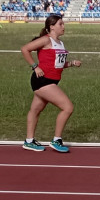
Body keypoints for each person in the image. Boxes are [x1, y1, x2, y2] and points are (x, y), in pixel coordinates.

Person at [20, 14, 81, 153]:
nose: (63, 26)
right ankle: (57, 140)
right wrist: (35, 66)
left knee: (35, 110)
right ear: (51, 26)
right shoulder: (45, 40)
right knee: (68, 108)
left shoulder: (60, 43)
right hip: (42, 80)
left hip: (51, 81)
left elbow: (57, 65)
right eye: (61, 24)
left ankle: (29, 141)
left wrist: (71, 63)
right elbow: (25, 49)